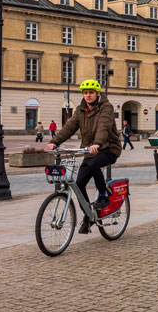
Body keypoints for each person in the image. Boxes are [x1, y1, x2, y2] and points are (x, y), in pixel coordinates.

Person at [47, 79, 122, 234]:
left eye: (91, 93)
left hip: (109, 148)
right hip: (90, 150)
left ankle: (103, 195)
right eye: (86, 93)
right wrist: (54, 142)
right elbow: (69, 127)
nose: (88, 95)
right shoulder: (81, 110)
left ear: (97, 93)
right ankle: (89, 217)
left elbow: (104, 126)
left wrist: (98, 143)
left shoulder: (106, 107)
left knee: (94, 164)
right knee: (79, 183)